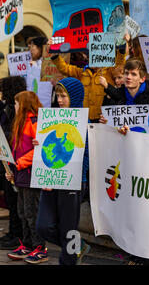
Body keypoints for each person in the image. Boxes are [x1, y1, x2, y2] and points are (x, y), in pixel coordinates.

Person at [34, 77, 90, 265]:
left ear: (73, 97)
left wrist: (78, 178)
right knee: (43, 226)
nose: (59, 100)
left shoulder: (84, 121)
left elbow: (87, 154)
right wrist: (39, 144)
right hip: (51, 178)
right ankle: (77, 246)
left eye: (64, 96)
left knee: (68, 230)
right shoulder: (52, 117)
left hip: (73, 181)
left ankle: (69, 257)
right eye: (58, 95)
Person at [5, 91, 47, 264]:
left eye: (16, 103)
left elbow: (41, 149)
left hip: (31, 175)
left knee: (32, 212)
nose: (14, 106)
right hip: (21, 174)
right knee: (22, 212)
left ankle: (40, 247)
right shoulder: (20, 123)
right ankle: (27, 244)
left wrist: (20, 162)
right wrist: (11, 168)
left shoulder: (34, 122)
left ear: (23, 104)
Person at [50, 38, 127, 122]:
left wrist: (122, 44)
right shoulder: (82, 72)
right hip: (85, 119)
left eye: (96, 55)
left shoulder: (109, 71)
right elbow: (65, 69)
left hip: (102, 119)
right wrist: (55, 55)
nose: (93, 58)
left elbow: (120, 63)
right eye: (90, 56)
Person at [0, 76, 27, 250]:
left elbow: (13, 133)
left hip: (14, 159)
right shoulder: (8, 108)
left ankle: (17, 235)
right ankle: (12, 232)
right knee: (10, 198)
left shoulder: (15, 110)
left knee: (15, 198)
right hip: (6, 157)